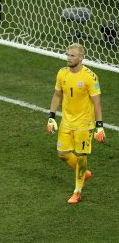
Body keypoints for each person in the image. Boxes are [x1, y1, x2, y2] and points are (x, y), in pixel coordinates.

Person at [46, 43, 105, 205]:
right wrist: (51, 116)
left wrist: (99, 125)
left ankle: (77, 192)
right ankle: (84, 174)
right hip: (66, 122)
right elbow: (57, 95)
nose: (69, 58)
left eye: (72, 55)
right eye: (68, 55)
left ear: (81, 57)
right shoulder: (62, 73)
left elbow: (97, 102)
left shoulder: (90, 77)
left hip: (84, 125)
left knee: (81, 157)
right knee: (62, 153)